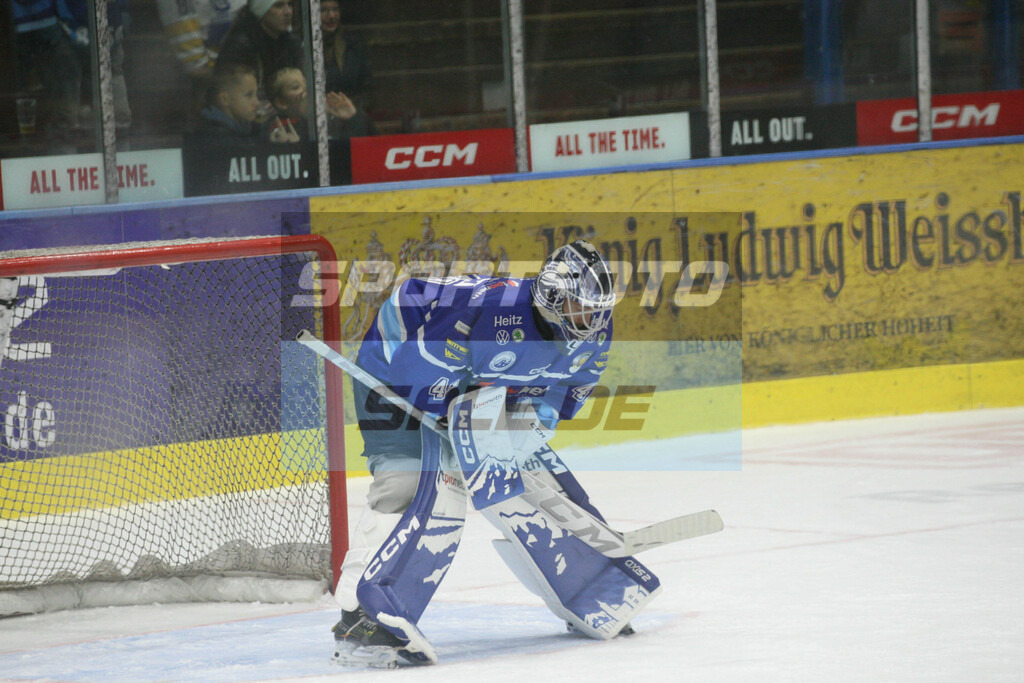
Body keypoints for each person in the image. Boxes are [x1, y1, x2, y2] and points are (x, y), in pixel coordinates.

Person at [332, 240, 662, 668]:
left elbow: (565, 394)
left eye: (597, 309)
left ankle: (588, 587)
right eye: (582, 307)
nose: (593, 320)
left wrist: (523, 432)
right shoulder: (483, 312)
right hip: (393, 368)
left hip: (472, 384)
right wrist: (465, 424)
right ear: (552, 297)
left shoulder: (593, 332)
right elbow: (418, 375)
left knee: (529, 483)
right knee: (408, 483)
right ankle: (358, 617)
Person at [216, 0, 302, 116]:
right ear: (261, 10)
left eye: (290, 4)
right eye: (278, 5)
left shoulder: (291, 42)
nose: (288, 12)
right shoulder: (241, 46)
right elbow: (236, 102)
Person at [188, 63, 261, 146]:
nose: (257, 102)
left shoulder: (245, 127)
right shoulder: (217, 140)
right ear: (224, 99)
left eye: (256, 94)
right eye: (249, 95)